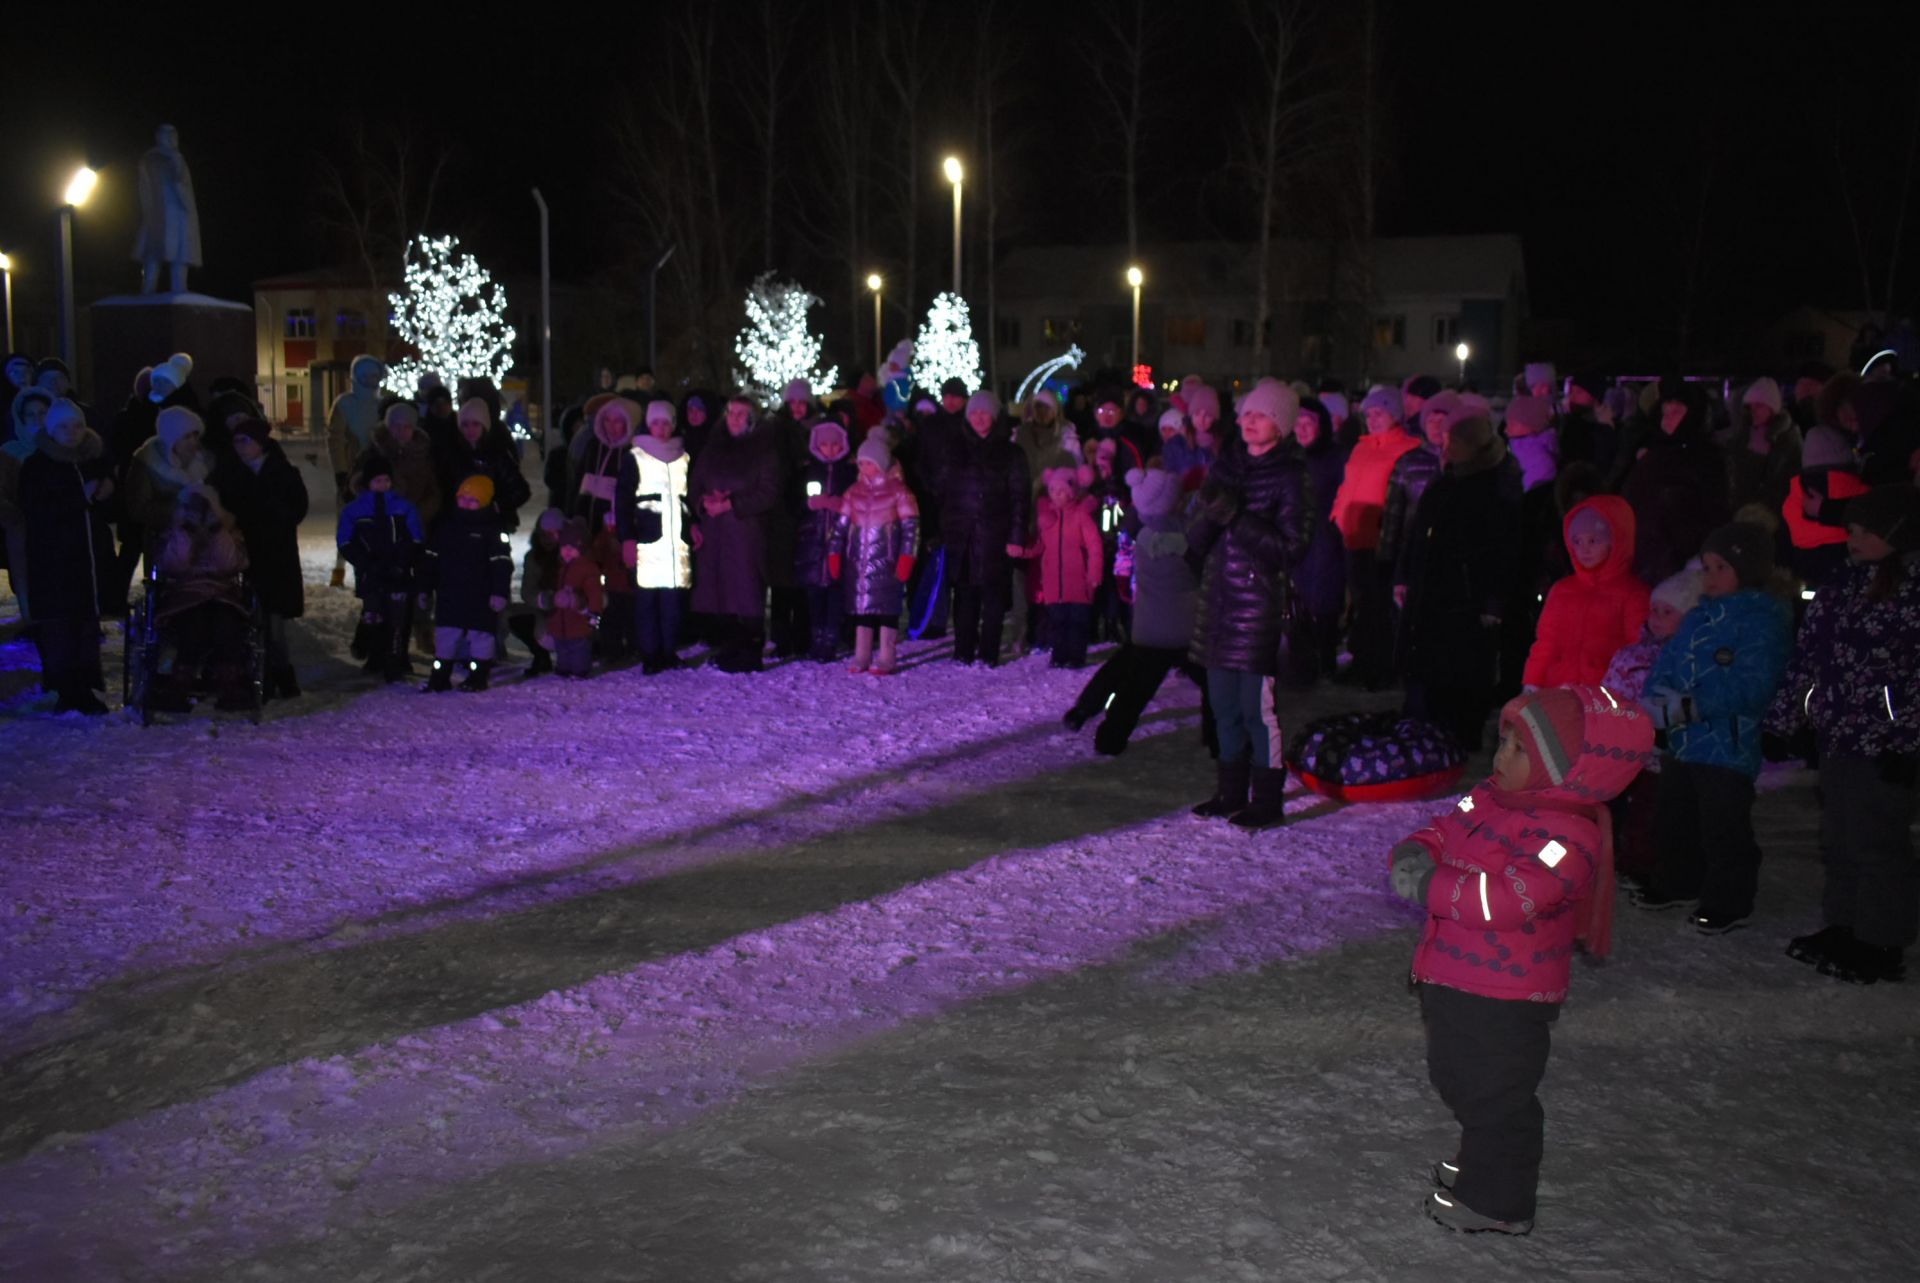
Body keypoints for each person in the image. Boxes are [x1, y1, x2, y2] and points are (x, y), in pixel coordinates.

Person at [1388, 685, 1655, 1235]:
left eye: (1516, 749)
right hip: (1455, 972)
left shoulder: (1566, 836)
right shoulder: (1491, 797)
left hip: (1504, 992)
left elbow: (1510, 898)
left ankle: (1498, 1202)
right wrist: (1419, 849)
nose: (1498, 756)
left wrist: (1433, 885)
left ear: (1561, 771)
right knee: (1458, 1075)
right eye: (1503, 741)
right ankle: (1488, 1159)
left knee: (1496, 1090)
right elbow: (1446, 827)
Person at [1766, 485, 1920, 985]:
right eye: (1851, 530)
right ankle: (1846, 923)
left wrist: (1910, 738)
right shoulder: (1841, 585)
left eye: (1867, 531)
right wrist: (1787, 718)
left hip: (1886, 739)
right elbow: (1808, 656)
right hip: (1837, 731)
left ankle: (1881, 937)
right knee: (1840, 835)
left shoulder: (1910, 591)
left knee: (1877, 838)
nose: (1855, 540)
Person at [1634, 523, 1793, 933]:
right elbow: (1667, 664)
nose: (1711, 576)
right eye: (1707, 567)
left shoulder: (1761, 620)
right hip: (1684, 743)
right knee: (1674, 816)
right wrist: (1655, 700)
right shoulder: (1698, 617)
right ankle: (1679, 880)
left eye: (1722, 566)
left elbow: (1753, 684)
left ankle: (1729, 898)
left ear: (1749, 568)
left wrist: (1693, 704)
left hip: (1727, 746)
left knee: (1724, 825)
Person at [1187, 379, 1313, 828]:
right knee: (1222, 706)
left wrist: (1235, 517)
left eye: (1258, 415)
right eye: (1244, 414)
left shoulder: (1290, 474)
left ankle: (1267, 799)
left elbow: (1291, 547)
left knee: (1256, 710)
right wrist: (1202, 518)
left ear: (1279, 423)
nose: (1247, 422)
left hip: (1257, 606)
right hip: (1218, 602)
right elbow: (1200, 536)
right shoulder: (1228, 465)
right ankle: (1229, 791)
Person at [1063, 464, 1211, 755]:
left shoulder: (1138, 529)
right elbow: (1202, 563)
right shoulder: (1184, 533)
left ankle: (1108, 738)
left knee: (1134, 690)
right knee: (1214, 684)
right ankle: (1217, 741)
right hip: (1185, 629)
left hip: (1148, 628)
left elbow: (1128, 534)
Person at [1601, 564, 1705, 885]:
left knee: (1650, 811)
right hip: (1624, 749)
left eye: (1667, 612)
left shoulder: (1691, 660)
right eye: (1654, 610)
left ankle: (1642, 864)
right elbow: (1611, 692)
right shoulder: (1632, 654)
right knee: (1613, 804)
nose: (1656, 617)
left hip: (1660, 755)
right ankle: (1610, 856)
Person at [19, 400, 115, 713]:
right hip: (54, 558)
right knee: (59, 623)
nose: (71, 433)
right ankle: (63, 686)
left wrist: (104, 493)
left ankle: (86, 685)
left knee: (86, 623)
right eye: (63, 427)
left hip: (88, 556)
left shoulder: (92, 461)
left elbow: (107, 508)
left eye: (76, 426)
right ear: (51, 429)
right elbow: (36, 511)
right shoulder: (38, 465)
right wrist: (80, 499)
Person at [209, 417, 308, 699]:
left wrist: (275, 513)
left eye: (246, 441)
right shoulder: (229, 474)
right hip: (243, 553)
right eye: (237, 441)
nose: (240, 447)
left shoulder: (282, 472)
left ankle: (280, 674)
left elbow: (298, 507)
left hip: (277, 555)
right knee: (250, 617)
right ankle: (258, 675)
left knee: (275, 622)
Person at [1331, 385, 1420, 688]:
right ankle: (1361, 661)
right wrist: (1336, 514)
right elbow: (1348, 486)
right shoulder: (1362, 446)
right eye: (1369, 413)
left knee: (1378, 608)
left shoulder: (1406, 448)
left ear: (1394, 414)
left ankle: (1380, 667)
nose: (1373, 418)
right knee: (1360, 606)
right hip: (1353, 538)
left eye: (1379, 412)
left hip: (1380, 542)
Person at [940, 390, 1031, 667]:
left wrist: (1016, 536)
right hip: (963, 536)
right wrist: (946, 531)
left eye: (985, 413)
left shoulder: (1011, 453)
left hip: (996, 534)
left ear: (994, 416)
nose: (979, 418)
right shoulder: (955, 449)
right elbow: (945, 494)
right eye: (974, 413)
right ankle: (963, 649)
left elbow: (1020, 497)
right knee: (965, 595)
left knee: (993, 596)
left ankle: (988, 652)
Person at [690, 395, 781, 673]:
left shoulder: (764, 451)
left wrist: (732, 503)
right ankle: (728, 648)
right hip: (715, 533)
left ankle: (749, 651)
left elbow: (769, 491)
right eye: (732, 412)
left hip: (746, 532)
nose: (736, 418)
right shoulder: (712, 449)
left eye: (743, 413)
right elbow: (695, 483)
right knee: (721, 591)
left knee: (747, 590)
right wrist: (703, 503)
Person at [1522, 497, 1649, 689]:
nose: (1584, 549)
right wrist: (1532, 683)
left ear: (1615, 540)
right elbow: (1545, 644)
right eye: (1577, 541)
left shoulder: (1633, 594)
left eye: (1593, 541)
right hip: (1559, 692)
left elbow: (1639, 650)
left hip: (1608, 695)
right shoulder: (1562, 591)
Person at [1622, 378, 1731, 586]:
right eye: (1665, 412)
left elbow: (1714, 511)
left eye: (1676, 412)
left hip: (1685, 562)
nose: (1668, 419)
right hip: (1645, 558)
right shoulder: (1650, 455)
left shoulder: (1706, 459)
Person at [150, 488, 250, 711]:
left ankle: (229, 683)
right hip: (185, 595)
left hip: (222, 594)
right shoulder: (175, 532)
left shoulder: (227, 533)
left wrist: (218, 531)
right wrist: (186, 532)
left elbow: (229, 564)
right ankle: (179, 684)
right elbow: (175, 565)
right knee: (194, 625)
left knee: (227, 624)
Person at [830, 430, 920, 676]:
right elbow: (841, 526)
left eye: (870, 463)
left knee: (887, 610)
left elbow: (911, 528)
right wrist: (835, 552)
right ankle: (862, 654)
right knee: (863, 610)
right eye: (862, 463)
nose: (865, 467)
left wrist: (906, 557)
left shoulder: (899, 491)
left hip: (887, 561)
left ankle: (887, 656)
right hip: (858, 562)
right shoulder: (853, 492)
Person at [617, 400, 696, 674]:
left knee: (673, 601)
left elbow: (690, 497)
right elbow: (623, 502)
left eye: (666, 423)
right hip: (648, 542)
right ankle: (650, 654)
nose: (661, 429)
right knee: (647, 602)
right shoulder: (636, 456)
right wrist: (627, 538)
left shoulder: (683, 456)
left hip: (677, 543)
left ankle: (669, 650)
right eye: (656, 423)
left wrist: (694, 524)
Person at [419, 475, 513, 692]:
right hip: (450, 593)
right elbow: (431, 559)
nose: (466, 504)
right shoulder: (446, 526)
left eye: (473, 500)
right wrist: (424, 587)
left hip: (481, 594)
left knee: (480, 636)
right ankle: (440, 676)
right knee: (446, 635)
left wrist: (499, 592)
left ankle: (478, 675)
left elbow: (502, 564)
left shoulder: (493, 530)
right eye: (463, 498)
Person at [337, 453, 425, 682]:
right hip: (371, 571)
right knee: (374, 612)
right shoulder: (355, 510)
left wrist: (402, 560)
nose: (382, 485)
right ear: (367, 483)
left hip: (399, 570)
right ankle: (374, 654)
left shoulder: (403, 507)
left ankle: (397, 658)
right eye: (377, 481)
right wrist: (366, 563)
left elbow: (415, 537)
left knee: (399, 616)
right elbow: (346, 542)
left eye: (386, 480)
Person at [1026, 466, 1104, 668]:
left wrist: (1094, 572)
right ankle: (1059, 656)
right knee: (1057, 622)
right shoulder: (1048, 518)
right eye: (1053, 491)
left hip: (1078, 580)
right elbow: (1040, 545)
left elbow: (1094, 545)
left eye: (1060, 491)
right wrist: (1024, 551)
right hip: (1054, 582)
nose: (1056, 495)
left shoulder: (1080, 516)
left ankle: (1076, 657)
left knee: (1077, 622)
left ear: (1070, 492)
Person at [795, 420, 856, 662]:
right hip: (812, 542)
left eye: (834, 444)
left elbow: (859, 501)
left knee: (835, 592)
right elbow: (793, 500)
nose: (829, 449)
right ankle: (816, 636)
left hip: (839, 543)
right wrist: (810, 503)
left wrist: (843, 506)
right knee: (815, 595)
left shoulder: (849, 472)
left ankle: (830, 639)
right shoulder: (807, 470)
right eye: (824, 444)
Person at [125, 406, 212, 572]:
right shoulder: (147, 463)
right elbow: (138, 508)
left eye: (195, 435)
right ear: (172, 439)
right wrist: (180, 509)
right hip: (166, 541)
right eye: (187, 437)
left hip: (203, 539)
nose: (193, 441)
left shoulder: (203, 462)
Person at [1722, 378, 1802, 515]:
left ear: (1772, 408)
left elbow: (1790, 479)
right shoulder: (1743, 435)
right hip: (1741, 510)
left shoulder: (1788, 439)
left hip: (1774, 513)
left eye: (1758, 405)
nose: (1753, 411)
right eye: (1750, 407)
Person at [549, 518, 604, 678]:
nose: (567, 550)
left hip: (579, 618)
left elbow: (595, 593)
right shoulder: (560, 567)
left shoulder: (587, 568)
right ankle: (563, 667)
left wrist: (594, 613)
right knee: (562, 645)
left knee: (578, 646)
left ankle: (580, 669)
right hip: (560, 619)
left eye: (572, 547)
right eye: (564, 547)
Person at [510, 510, 563, 676]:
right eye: (543, 535)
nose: (547, 540)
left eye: (552, 535)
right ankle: (541, 656)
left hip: (567, 610)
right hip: (542, 610)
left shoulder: (569, 555)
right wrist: (541, 600)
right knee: (512, 616)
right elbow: (527, 590)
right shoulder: (533, 557)